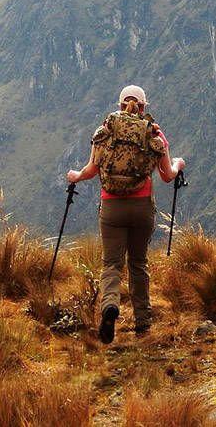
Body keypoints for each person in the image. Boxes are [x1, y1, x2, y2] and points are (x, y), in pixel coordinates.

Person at [66, 85, 186, 343]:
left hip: (112, 208)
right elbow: (167, 176)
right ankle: (143, 323)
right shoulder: (154, 133)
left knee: (111, 264)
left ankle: (110, 307)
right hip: (142, 208)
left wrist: (74, 176)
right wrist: (178, 164)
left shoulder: (105, 132)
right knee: (138, 264)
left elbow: (89, 170)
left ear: (120, 105)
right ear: (144, 106)